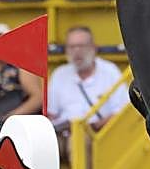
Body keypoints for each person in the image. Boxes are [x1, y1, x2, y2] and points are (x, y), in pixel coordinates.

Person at [47, 25, 131, 155]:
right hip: (64, 133)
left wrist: (93, 126)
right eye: (72, 47)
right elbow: (52, 113)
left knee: (78, 143)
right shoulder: (60, 74)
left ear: (93, 48)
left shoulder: (110, 71)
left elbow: (122, 110)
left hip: (98, 132)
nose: (77, 51)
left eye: (81, 46)